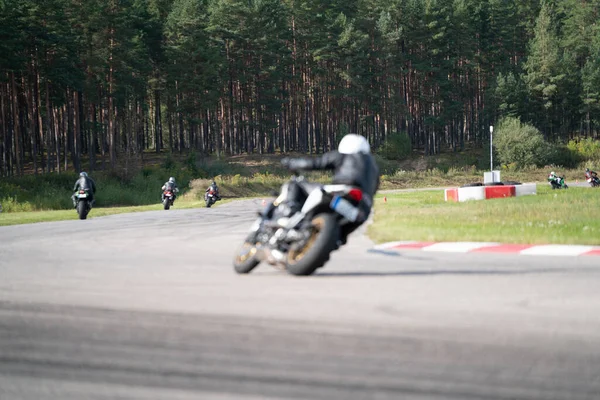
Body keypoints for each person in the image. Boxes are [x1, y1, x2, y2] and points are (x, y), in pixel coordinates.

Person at [279, 133, 380, 245]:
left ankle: (290, 212)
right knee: (341, 237)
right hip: (362, 207)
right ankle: (336, 237)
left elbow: (316, 163)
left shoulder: (343, 156)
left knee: (296, 183)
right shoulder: (374, 168)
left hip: (341, 191)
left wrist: (291, 163)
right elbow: (375, 189)